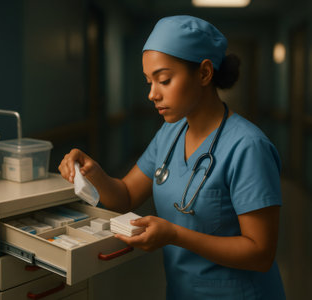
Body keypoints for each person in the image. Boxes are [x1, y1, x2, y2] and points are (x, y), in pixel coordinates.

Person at [59, 15, 285, 299]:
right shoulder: (170, 133)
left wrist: (175, 235)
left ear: (204, 73)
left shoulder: (248, 147)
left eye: (164, 80)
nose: (152, 94)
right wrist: (92, 171)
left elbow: (260, 253)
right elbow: (126, 194)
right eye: (148, 81)